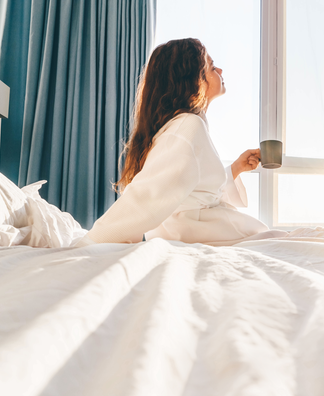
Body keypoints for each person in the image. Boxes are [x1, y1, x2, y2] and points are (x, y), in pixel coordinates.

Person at [76, 38, 287, 247]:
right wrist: (88, 243)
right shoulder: (187, 127)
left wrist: (234, 169)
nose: (220, 71)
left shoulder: (185, 126)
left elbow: (194, 195)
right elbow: (147, 198)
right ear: (194, 80)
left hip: (208, 236)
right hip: (206, 239)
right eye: (212, 67)